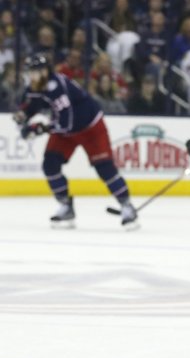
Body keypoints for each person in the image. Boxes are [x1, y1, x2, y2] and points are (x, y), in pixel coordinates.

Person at [15, 55, 138, 230]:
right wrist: (23, 115)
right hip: (66, 130)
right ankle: (65, 205)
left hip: (90, 128)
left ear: (44, 72)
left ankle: (127, 206)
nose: (30, 77)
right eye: (29, 73)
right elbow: (33, 104)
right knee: (50, 165)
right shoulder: (36, 86)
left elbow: (67, 123)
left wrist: (39, 129)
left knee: (105, 169)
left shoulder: (56, 87)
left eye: (33, 72)